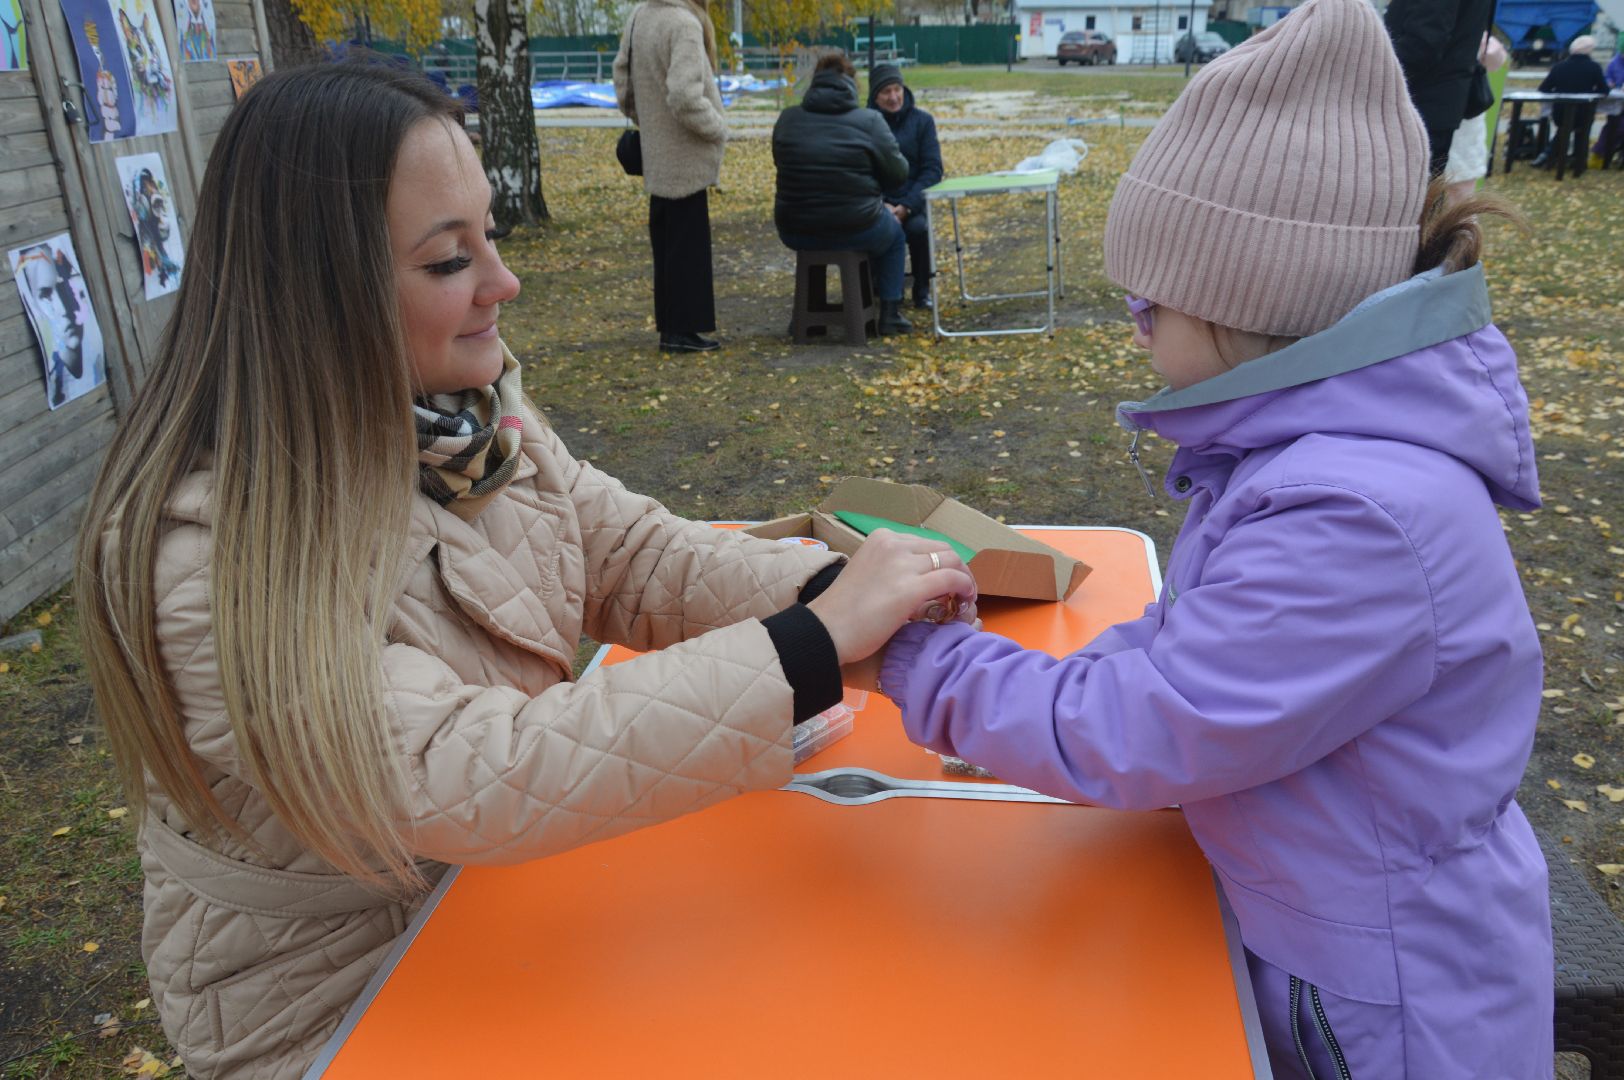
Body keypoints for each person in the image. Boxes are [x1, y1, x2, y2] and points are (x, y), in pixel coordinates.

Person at [74, 62, 976, 1079]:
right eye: (449, 260)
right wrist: (809, 648)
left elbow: (629, 554)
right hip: (340, 1006)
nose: (503, 284)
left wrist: (822, 594)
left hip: (489, 916)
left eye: (489, 237)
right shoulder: (210, 544)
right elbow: (462, 772)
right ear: (322, 296)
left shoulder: (466, 421)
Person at [859, 1, 1553, 1076]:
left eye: (1148, 304)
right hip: (1324, 937)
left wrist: (917, 662)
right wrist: (1010, 681)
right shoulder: (1317, 452)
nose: (1134, 329)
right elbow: (1189, 650)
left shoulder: (1352, 513)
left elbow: (1154, 726)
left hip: (1380, 1010)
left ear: (1250, 306)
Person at [613, 0, 726, 353]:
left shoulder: (639, 17)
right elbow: (684, 94)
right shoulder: (684, 23)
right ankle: (683, 332)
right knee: (688, 247)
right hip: (686, 154)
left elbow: (622, 82)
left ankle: (672, 329)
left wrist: (648, 119)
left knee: (666, 243)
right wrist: (717, 128)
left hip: (657, 151)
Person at [772, 52, 913, 336]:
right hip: (857, 226)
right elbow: (899, 173)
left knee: (820, 237)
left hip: (796, 227)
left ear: (814, 83)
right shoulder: (870, 121)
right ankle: (889, 313)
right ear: (851, 84)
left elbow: (781, 161)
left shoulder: (788, 119)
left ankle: (807, 314)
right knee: (896, 236)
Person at [1384, 0, 1495, 174]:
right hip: (1437, 102)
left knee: (1411, 190)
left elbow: (1422, 43)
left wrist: (1374, 73)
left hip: (1420, 104)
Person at [866, 63, 942, 310]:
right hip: (878, 203)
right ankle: (880, 286)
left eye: (896, 89)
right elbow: (862, 172)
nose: (893, 97)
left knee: (919, 229)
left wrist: (907, 206)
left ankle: (922, 290)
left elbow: (932, 169)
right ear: (875, 96)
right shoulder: (866, 124)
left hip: (912, 199)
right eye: (886, 92)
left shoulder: (923, 122)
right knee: (874, 229)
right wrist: (883, 204)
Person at [1443, 33, 1508, 202]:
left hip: (1462, 133)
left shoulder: (1475, 30)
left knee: (1460, 204)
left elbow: (1495, 57)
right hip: (1458, 135)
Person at [1531, 35, 1610, 168]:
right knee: (1582, 132)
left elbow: (1544, 88)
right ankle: (1578, 161)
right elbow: (1604, 90)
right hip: (1583, 112)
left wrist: (1560, 94)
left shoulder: (1559, 67)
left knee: (1563, 130)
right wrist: (1589, 92)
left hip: (1560, 112)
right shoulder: (1594, 67)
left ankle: (1548, 156)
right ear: (1589, 50)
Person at [1591, 35, 1624, 165]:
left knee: (1618, 126)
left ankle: (1603, 152)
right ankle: (1601, 153)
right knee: (1613, 126)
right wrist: (1609, 82)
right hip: (1617, 100)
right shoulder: (1614, 62)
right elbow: (1606, 78)